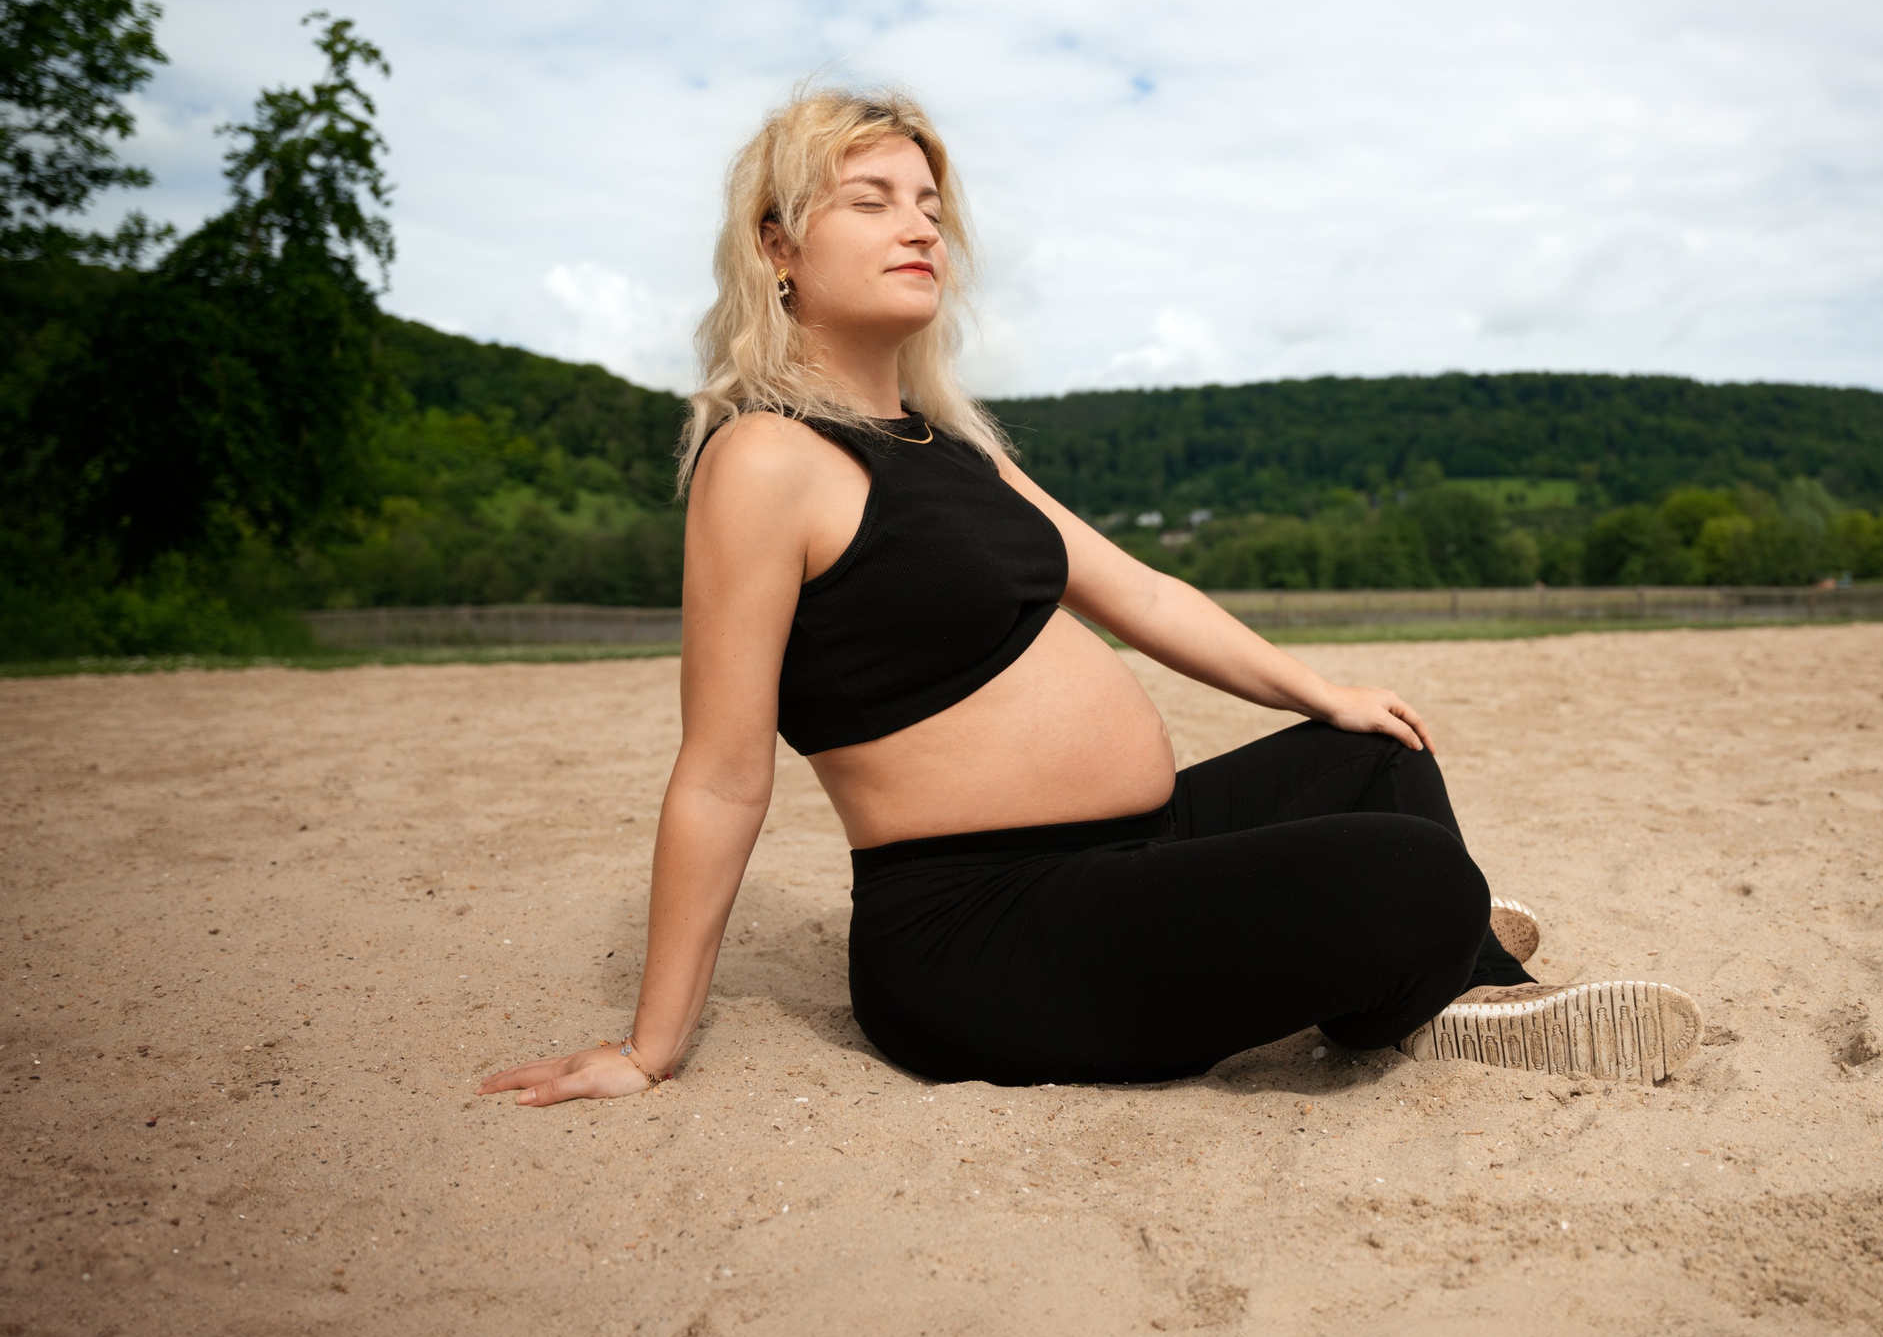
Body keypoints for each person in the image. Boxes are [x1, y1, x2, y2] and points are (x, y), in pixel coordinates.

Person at [477, 89, 1702, 1104]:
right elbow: (721, 771)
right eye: (872, 201)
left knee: (1376, 755)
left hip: (1125, 854)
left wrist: (1320, 689)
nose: (920, 229)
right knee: (1410, 876)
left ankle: (1456, 978)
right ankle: (1442, 960)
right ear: (776, 245)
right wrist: (651, 1046)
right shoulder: (764, 461)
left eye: (929, 205)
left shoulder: (950, 448)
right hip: (982, 928)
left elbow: (1145, 596)